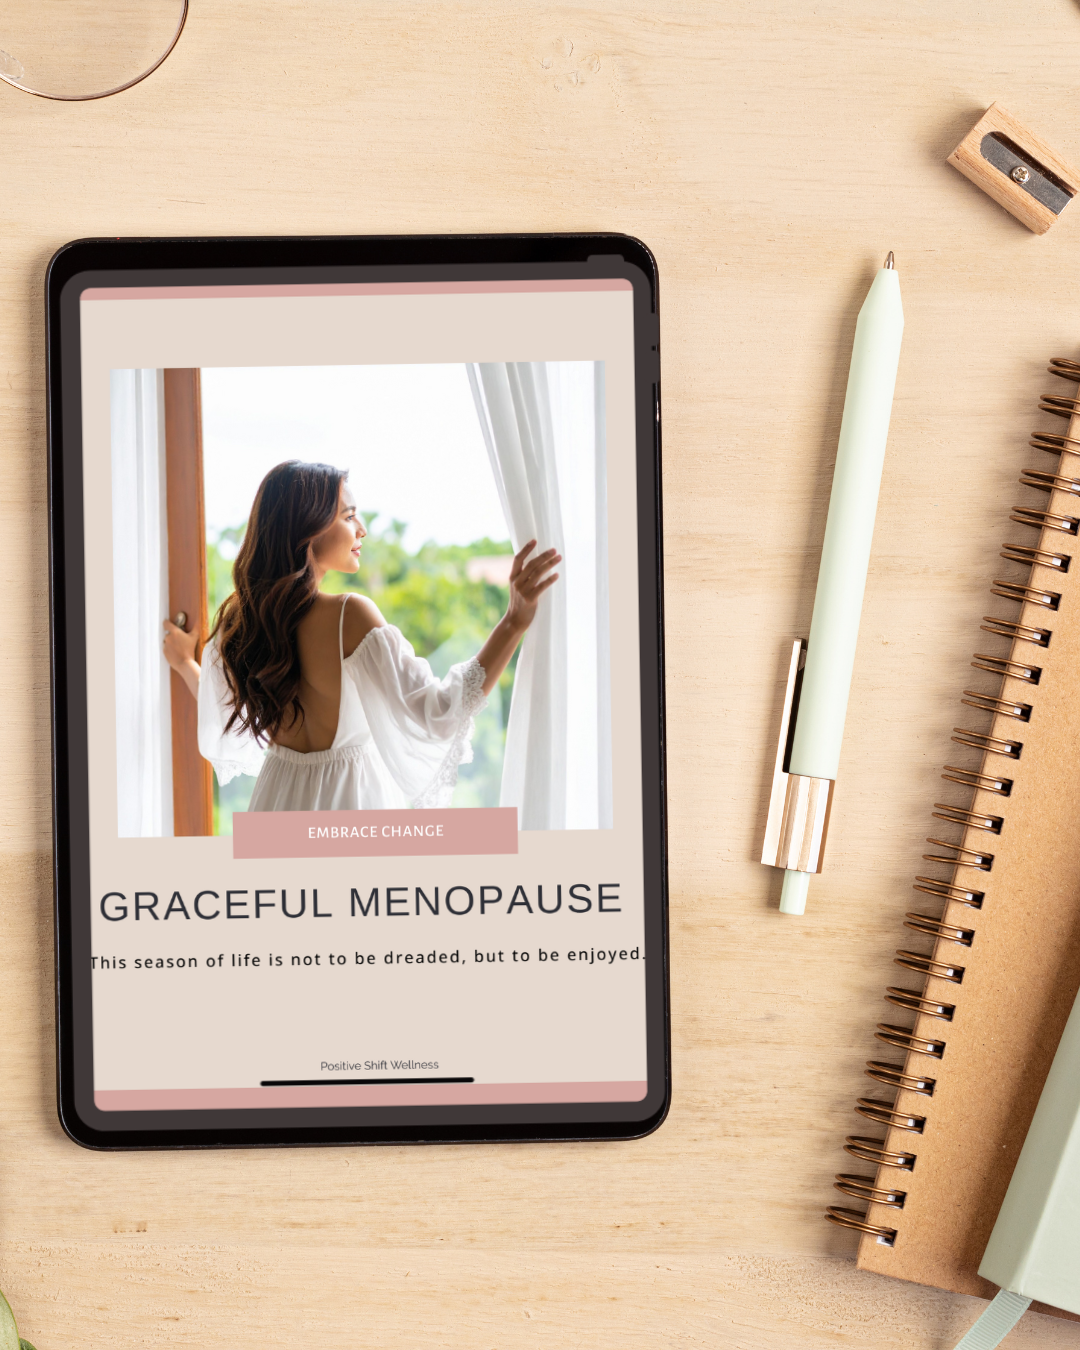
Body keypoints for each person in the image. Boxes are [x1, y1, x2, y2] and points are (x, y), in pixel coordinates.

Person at [162, 460, 560, 812]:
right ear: (308, 528)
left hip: (277, 799)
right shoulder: (349, 615)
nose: (362, 529)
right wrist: (513, 621)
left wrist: (184, 664)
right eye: (349, 516)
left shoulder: (246, 622)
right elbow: (438, 716)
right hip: (351, 803)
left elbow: (225, 703)